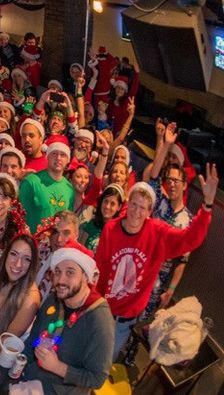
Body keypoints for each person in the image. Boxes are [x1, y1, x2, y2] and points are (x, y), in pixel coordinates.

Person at [95, 165, 217, 361]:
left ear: (150, 211)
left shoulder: (157, 232)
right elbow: (99, 269)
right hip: (100, 310)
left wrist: (207, 205)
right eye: (134, 205)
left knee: (104, 362)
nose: (136, 212)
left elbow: (190, 239)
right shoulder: (111, 229)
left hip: (124, 320)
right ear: (128, 204)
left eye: (143, 207)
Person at [23, 247, 114, 394]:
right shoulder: (54, 298)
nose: (60, 280)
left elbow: (97, 379)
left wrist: (57, 367)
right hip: (31, 378)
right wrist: (21, 360)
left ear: (85, 276)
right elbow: (34, 338)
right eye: (57, 271)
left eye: (70, 272)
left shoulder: (99, 319)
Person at [0, 234, 40, 359]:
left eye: (27, 259)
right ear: (6, 254)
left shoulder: (31, 298)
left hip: (6, 353)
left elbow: (7, 339)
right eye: (14, 254)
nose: (18, 264)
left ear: (32, 265)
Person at [19, 136, 74, 232]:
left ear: (68, 161)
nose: (58, 158)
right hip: (33, 243)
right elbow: (19, 217)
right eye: (54, 153)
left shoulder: (69, 189)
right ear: (47, 157)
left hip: (57, 243)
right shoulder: (31, 182)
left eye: (63, 155)